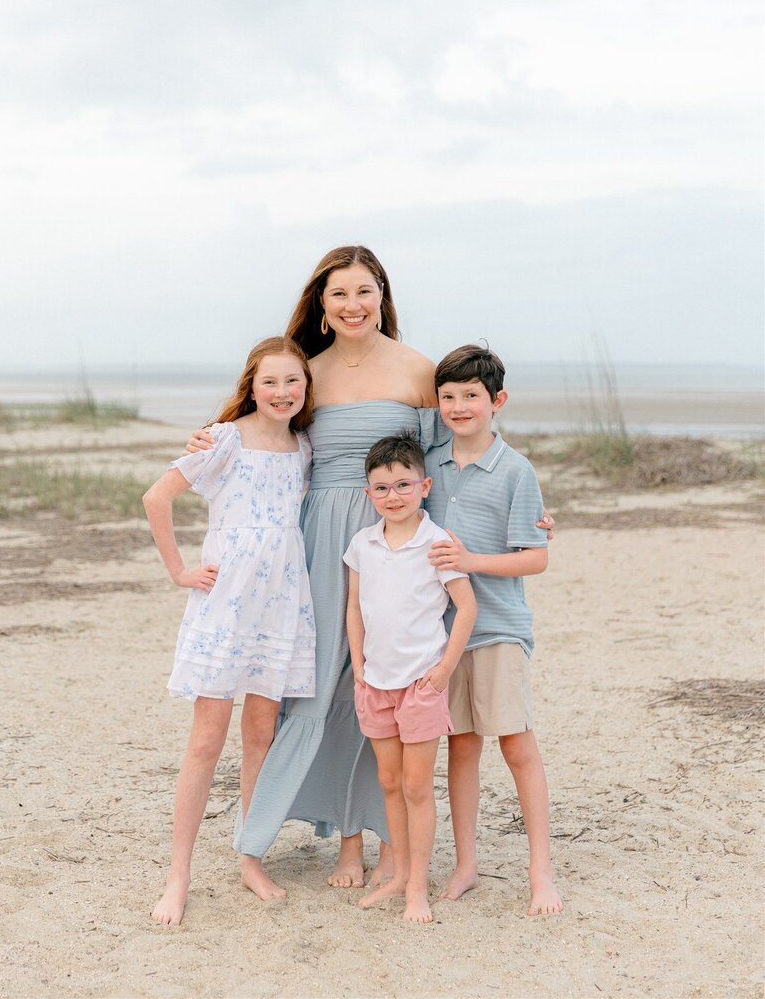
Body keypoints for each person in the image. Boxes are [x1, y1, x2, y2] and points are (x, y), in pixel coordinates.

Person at [185, 246, 554, 891]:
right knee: (326, 687)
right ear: (321, 306)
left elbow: (448, 457)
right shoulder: (308, 372)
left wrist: (524, 519)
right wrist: (207, 437)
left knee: (392, 673)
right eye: (338, 294)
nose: (352, 305)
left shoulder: (416, 370)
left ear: (381, 295)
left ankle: (391, 849)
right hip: (320, 540)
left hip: (399, 539)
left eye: (363, 291)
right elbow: (266, 429)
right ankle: (343, 840)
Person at [143, 336, 316, 923]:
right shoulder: (224, 439)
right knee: (206, 740)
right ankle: (179, 875)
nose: (283, 392)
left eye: (293, 381)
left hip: (282, 606)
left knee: (260, 733)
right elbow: (156, 498)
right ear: (252, 382)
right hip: (226, 605)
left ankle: (250, 856)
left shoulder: (304, 448)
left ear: (305, 388)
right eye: (271, 381)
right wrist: (179, 571)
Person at [425, 344, 563, 916]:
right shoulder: (428, 464)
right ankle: (465, 865)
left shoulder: (515, 469)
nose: (459, 406)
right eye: (449, 397)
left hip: (499, 627)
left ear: (496, 401)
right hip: (442, 632)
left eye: (472, 396)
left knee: (516, 744)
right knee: (460, 747)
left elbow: (535, 557)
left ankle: (541, 870)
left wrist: (471, 561)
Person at [345, 433, 477, 923]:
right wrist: (359, 665)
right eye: (382, 488)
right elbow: (354, 608)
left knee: (419, 786)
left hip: (421, 685)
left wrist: (443, 670)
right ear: (368, 494)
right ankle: (398, 874)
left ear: (424, 486)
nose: (393, 496)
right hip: (374, 683)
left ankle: (418, 886)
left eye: (403, 485)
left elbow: (466, 608)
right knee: (389, 781)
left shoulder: (437, 542)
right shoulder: (363, 544)